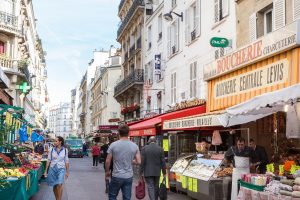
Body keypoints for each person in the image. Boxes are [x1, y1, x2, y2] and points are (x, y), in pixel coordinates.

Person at [105, 124, 141, 200]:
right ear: (129, 133)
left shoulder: (113, 145)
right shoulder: (134, 146)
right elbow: (139, 161)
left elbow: (108, 161)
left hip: (116, 175)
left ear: (118, 133)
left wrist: (107, 172)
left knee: (112, 196)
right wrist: (130, 161)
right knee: (127, 197)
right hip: (128, 176)